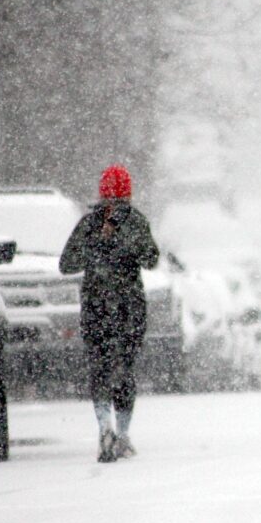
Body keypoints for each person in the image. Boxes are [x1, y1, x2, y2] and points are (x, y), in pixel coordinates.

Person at [60, 164, 159, 462]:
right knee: (124, 370)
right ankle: (123, 434)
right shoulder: (137, 222)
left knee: (100, 369)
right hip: (129, 310)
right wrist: (124, 245)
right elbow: (152, 259)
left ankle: (104, 427)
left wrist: (97, 247)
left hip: (96, 308)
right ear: (129, 192)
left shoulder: (88, 223)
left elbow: (66, 264)